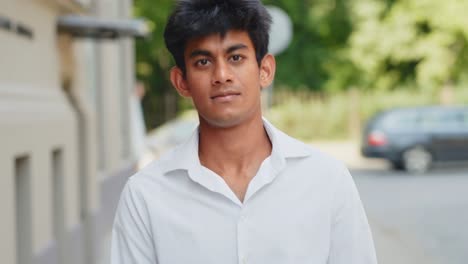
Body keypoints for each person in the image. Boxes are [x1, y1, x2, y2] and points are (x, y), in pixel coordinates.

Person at [111, 0, 378, 263]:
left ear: (265, 70)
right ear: (182, 82)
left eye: (236, 57)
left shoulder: (327, 180)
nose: (222, 74)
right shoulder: (146, 195)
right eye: (203, 62)